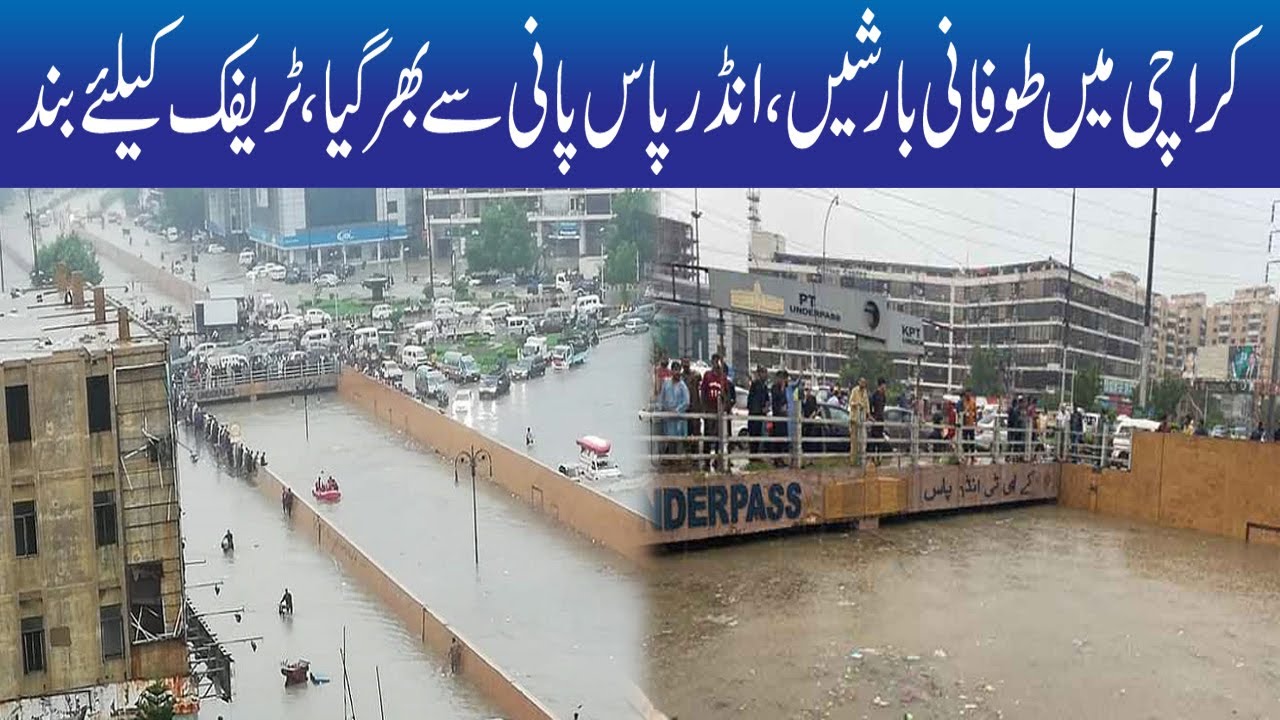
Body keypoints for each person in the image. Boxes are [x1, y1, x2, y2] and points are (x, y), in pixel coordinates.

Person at [746, 366, 770, 457]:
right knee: (754, 435)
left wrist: (766, 406)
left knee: (759, 435)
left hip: (761, 414)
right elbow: (753, 401)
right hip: (755, 414)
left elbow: (767, 399)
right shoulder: (756, 385)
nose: (766, 375)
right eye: (764, 373)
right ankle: (753, 456)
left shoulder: (764, 386)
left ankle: (756, 455)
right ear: (760, 374)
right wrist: (760, 409)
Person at [869, 378, 888, 456]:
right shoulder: (874, 395)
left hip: (881, 420)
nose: (885, 387)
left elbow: (883, 407)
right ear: (881, 385)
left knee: (880, 439)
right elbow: (870, 407)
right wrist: (871, 417)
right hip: (875, 420)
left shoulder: (883, 396)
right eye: (884, 385)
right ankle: (873, 457)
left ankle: (879, 456)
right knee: (874, 439)